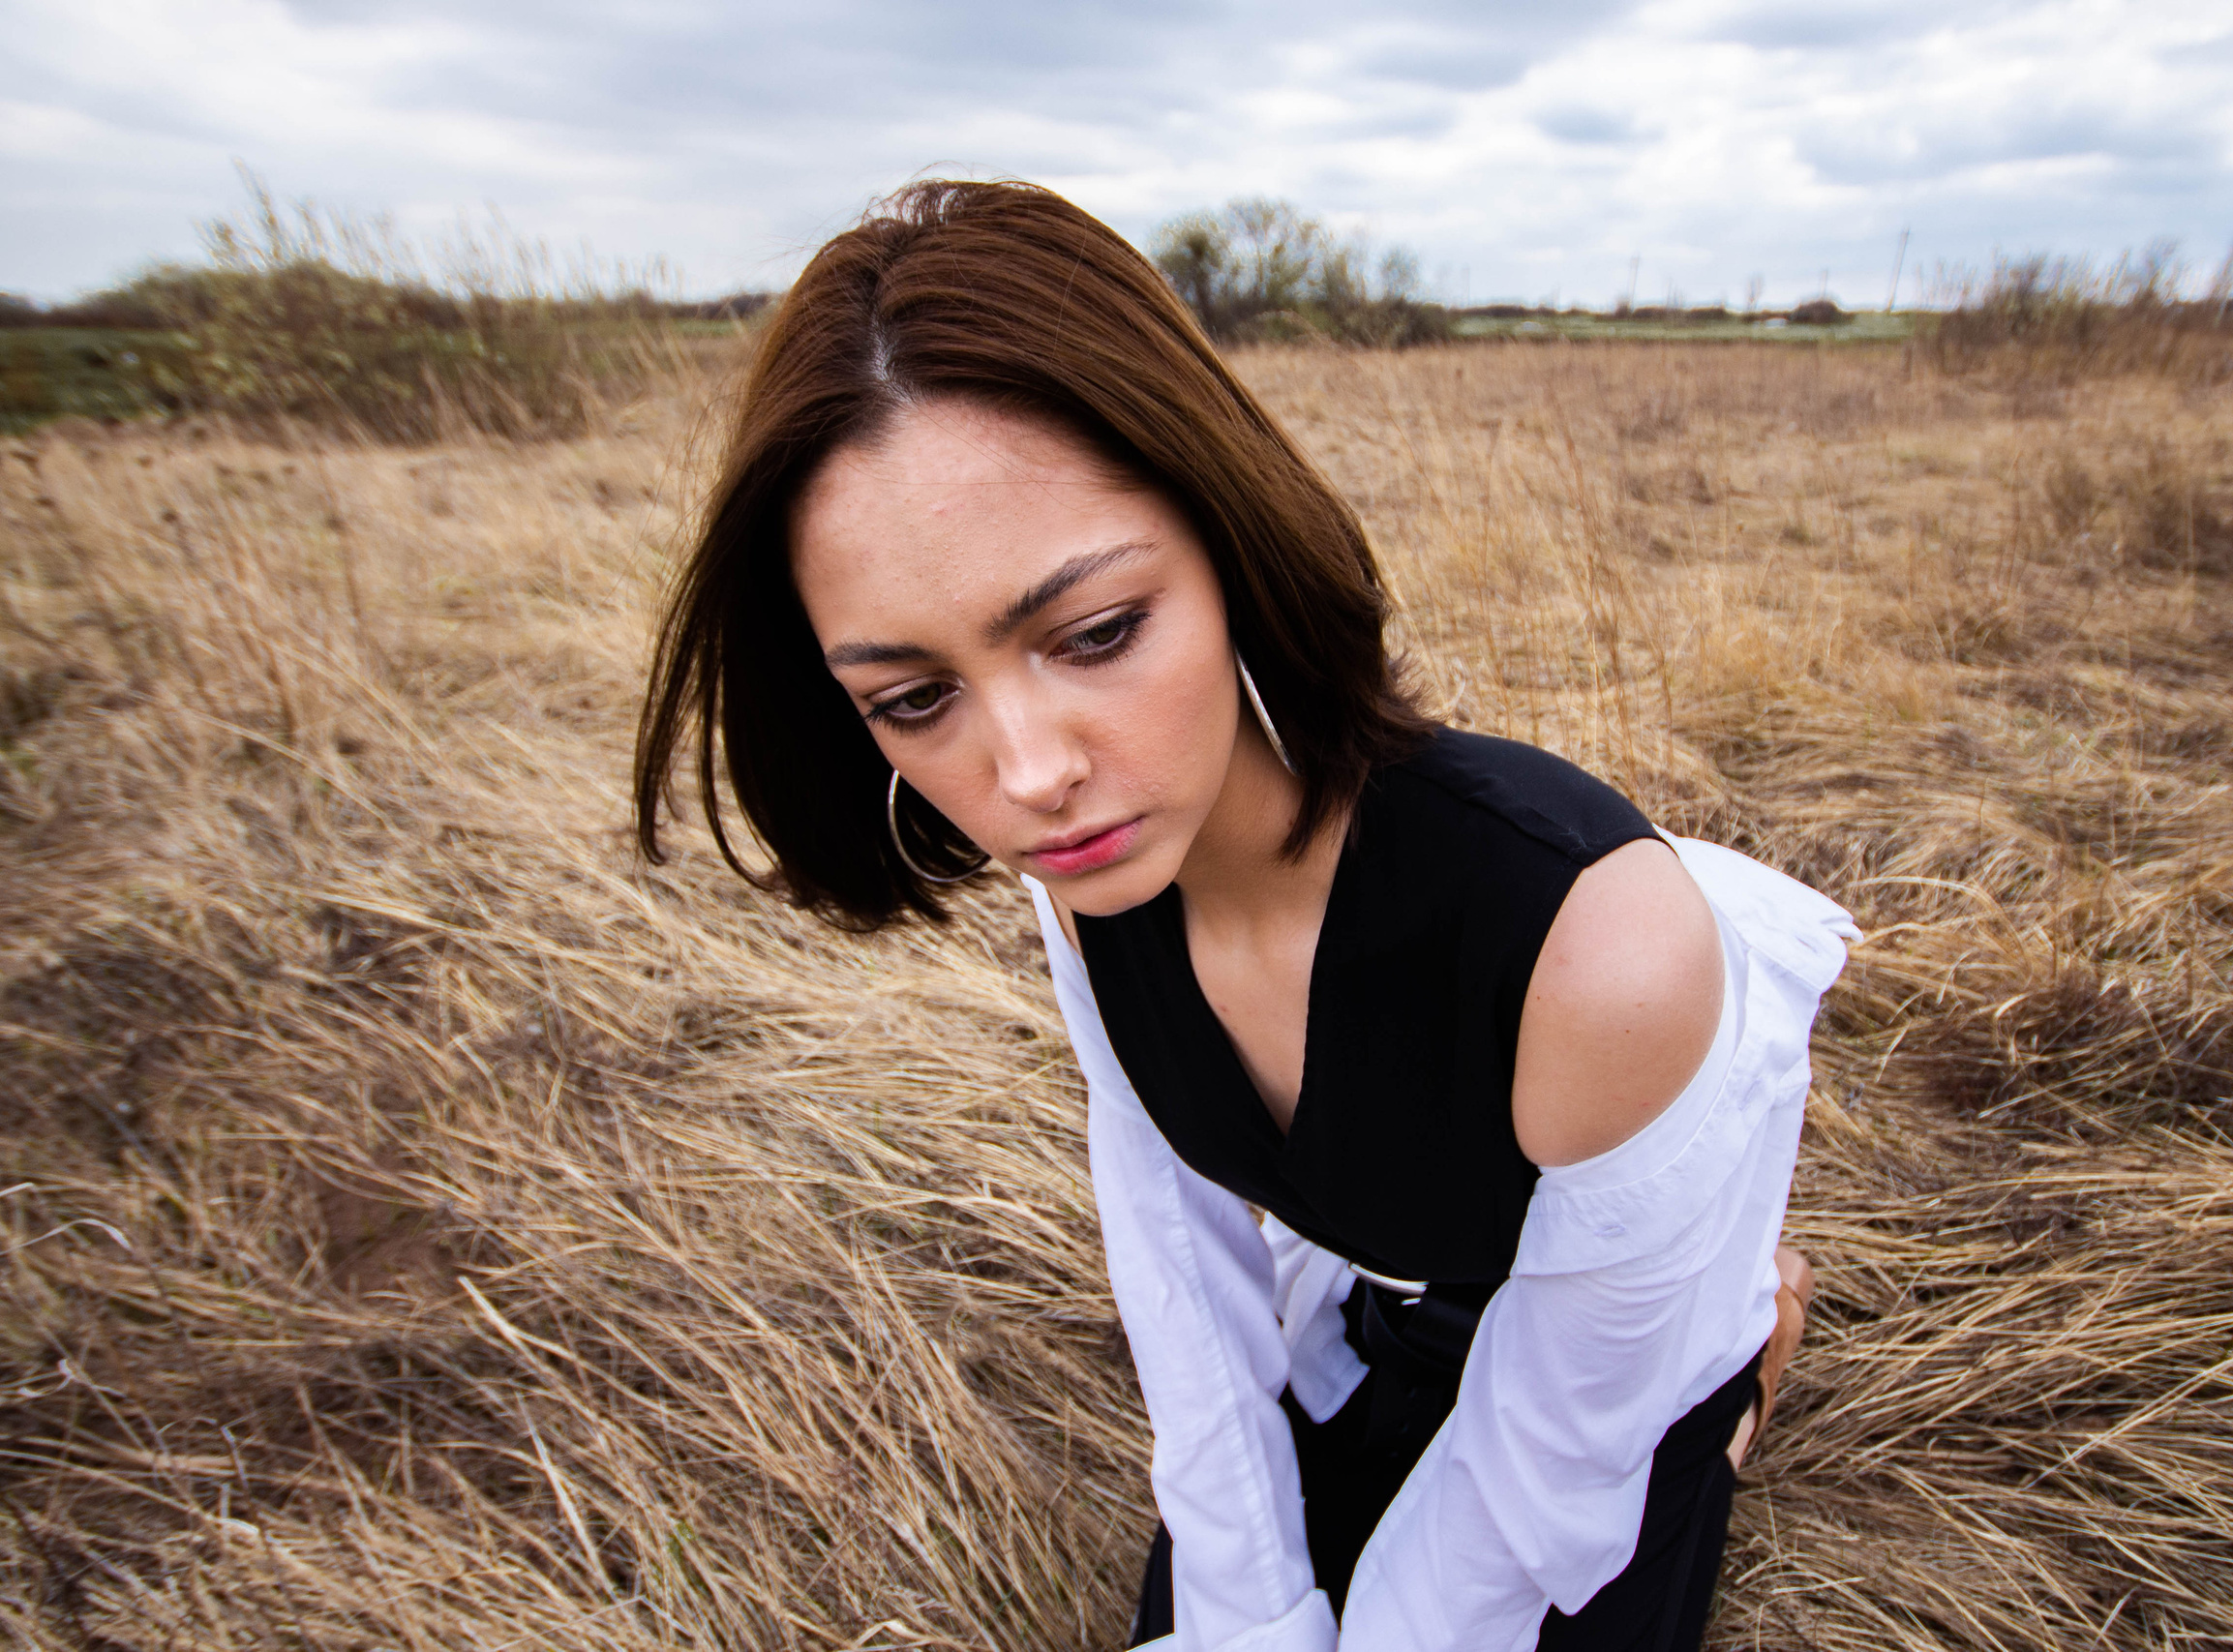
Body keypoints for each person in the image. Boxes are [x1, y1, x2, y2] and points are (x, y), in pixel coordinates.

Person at [634, 179, 1857, 1652]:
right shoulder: (1095, 880)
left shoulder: (1595, 954)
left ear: (1230, 543)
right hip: (1396, 1316)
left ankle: (1742, 1359)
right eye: (913, 698)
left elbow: (1551, 1449)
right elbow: (1175, 1253)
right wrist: (1257, 1616)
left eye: (1096, 633)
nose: (1028, 778)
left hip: (1607, 1358)